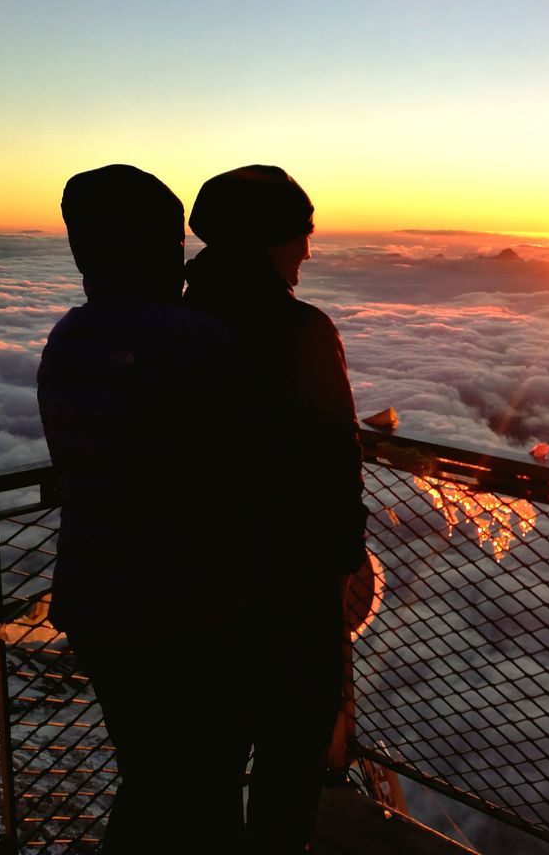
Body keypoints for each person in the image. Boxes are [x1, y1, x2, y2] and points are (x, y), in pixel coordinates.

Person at [37, 164, 250, 854]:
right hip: (187, 605)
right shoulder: (199, 339)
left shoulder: (70, 336)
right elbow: (243, 467)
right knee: (205, 780)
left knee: (151, 775)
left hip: (96, 601)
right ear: (169, 246)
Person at [183, 165, 368, 854]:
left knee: (208, 763)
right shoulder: (299, 330)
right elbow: (333, 457)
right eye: (301, 235)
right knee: (290, 759)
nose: (308, 252)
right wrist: (344, 563)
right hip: (289, 587)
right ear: (267, 240)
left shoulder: (176, 323)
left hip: (193, 588)